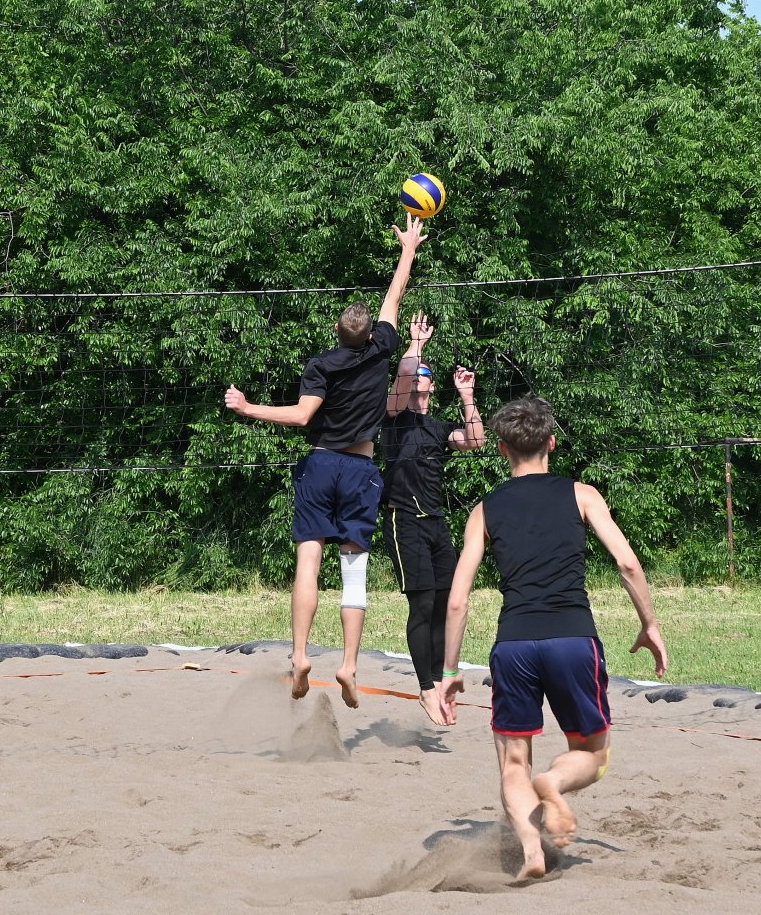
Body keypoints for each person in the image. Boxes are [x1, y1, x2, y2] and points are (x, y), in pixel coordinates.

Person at [439, 394, 668, 879]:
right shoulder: (582, 495)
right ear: (552, 443)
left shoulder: (485, 509)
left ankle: (531, 851)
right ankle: (555, 782)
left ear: (501, 449)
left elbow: (458, 598)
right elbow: (627, 562)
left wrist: (449, 672)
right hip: (572, 639)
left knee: (511, 763)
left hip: (514, 643)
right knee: (593, 753)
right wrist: (649, 624)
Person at [224, 215, 427, 707]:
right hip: (360, 469)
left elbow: (301, 415)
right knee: (353, 569)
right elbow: (395, 295)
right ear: (369, 334)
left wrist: (248, 407)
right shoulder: (382, 349)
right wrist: (408, 246)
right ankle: (349, 666)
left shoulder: (321, 363)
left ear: (338, 334)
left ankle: (299, 656)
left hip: (318, 466)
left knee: (308, 561)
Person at [378, 310, 484, 724]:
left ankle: (440, 679)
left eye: (425, 373)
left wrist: (467, 395)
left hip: (435, 522)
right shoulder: (393, 417)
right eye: (415, 373)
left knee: (445, 604)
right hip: (402, 518)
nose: (417, 377)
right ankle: (425, 688)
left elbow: (475, 440)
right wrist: (416, 343)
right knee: (421, 605)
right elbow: (402, 376)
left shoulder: (439, 427)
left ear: (433, 385)